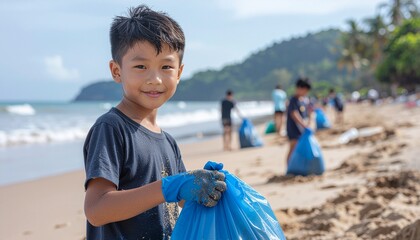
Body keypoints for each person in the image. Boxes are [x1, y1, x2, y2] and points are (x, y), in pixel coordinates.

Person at [83, 5, 227, 239]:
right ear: (116, 70)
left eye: (166, 67)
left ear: (179, 73)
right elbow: (97, 210)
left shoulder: (168, 142)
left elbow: (181, 199)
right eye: (141, 66)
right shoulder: (111, 128)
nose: (155, 79)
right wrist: (171, 186)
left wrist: (206, 185)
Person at [286, 78, 312, 164]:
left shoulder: (302, 100)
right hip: (293, 128)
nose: (305, 93)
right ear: (299, 88)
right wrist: (304, 125)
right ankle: (288, 166)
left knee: (297, 147)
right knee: (293, 147)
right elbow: (294, 114)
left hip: (300, 129)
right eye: (305, 90)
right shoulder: (293, 100)